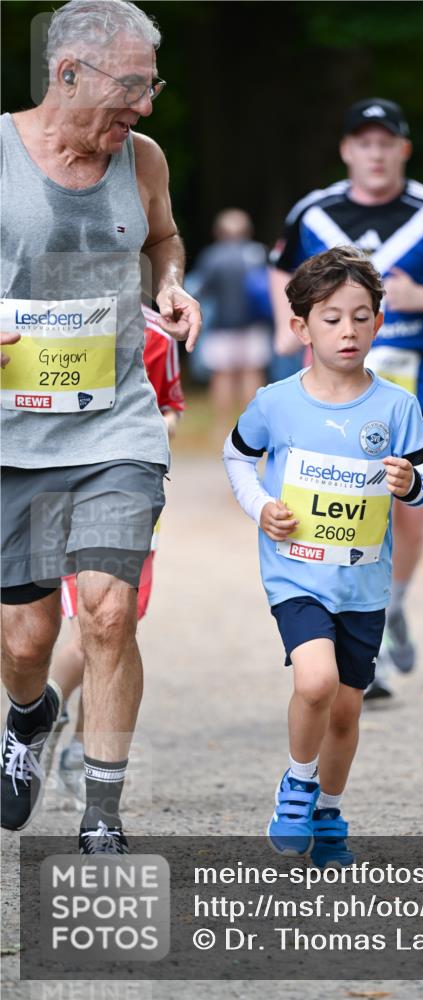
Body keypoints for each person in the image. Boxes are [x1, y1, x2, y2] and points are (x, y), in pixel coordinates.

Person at [0, 0, 200, 853]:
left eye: (152, 86)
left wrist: (171, 283)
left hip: (116, 425)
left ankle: (102, 815)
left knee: (110, 613)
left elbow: (165, 237)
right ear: (67, 73)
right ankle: (30, 711)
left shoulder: (142, 159)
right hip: (12, 435)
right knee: (26, 636)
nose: (145, 107)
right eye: (133, 86)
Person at [224, 247, 423, 865]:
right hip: (296, 572)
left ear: (378, 323)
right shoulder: (276, 402)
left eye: (361, 316)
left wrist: (411, 484)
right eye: (331, 318)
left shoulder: (397, 406)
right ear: (301, 328)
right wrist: (260, 504)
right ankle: (297, 783)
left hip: (364, 585)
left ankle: (327, 811)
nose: (347, 330)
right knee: (315, 681)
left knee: (346, 711)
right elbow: (237, 455)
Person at [269, 97, 423, 696]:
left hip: (419, 385)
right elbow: (278, 270)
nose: (375, 152)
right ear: (346, 149)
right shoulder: (314, 212)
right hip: (331, 386)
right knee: (338, 500)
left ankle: (389, 609)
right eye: (363, 142)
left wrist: (420, 297)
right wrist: (284, 333)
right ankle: (340, 631)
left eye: (385, 142)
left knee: (410, 508)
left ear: (402, 149)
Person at [54, 303, 185, 801]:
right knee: (85, 634)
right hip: (56, 484)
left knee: (112, 627)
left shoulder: (157, 332)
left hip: (126, 486)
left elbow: (172, 401)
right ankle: (41, 712)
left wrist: (163, 424)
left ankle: (83, 745)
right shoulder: (38, 315)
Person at [188, 208, 272, 433]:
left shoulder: (212, 256)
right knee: (252, 372)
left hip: (221, 327)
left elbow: (200, 290)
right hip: (254, 325)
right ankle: (253, 426)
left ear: (219, 232)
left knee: (222, 375)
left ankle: (222, 426)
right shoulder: (258, 253)